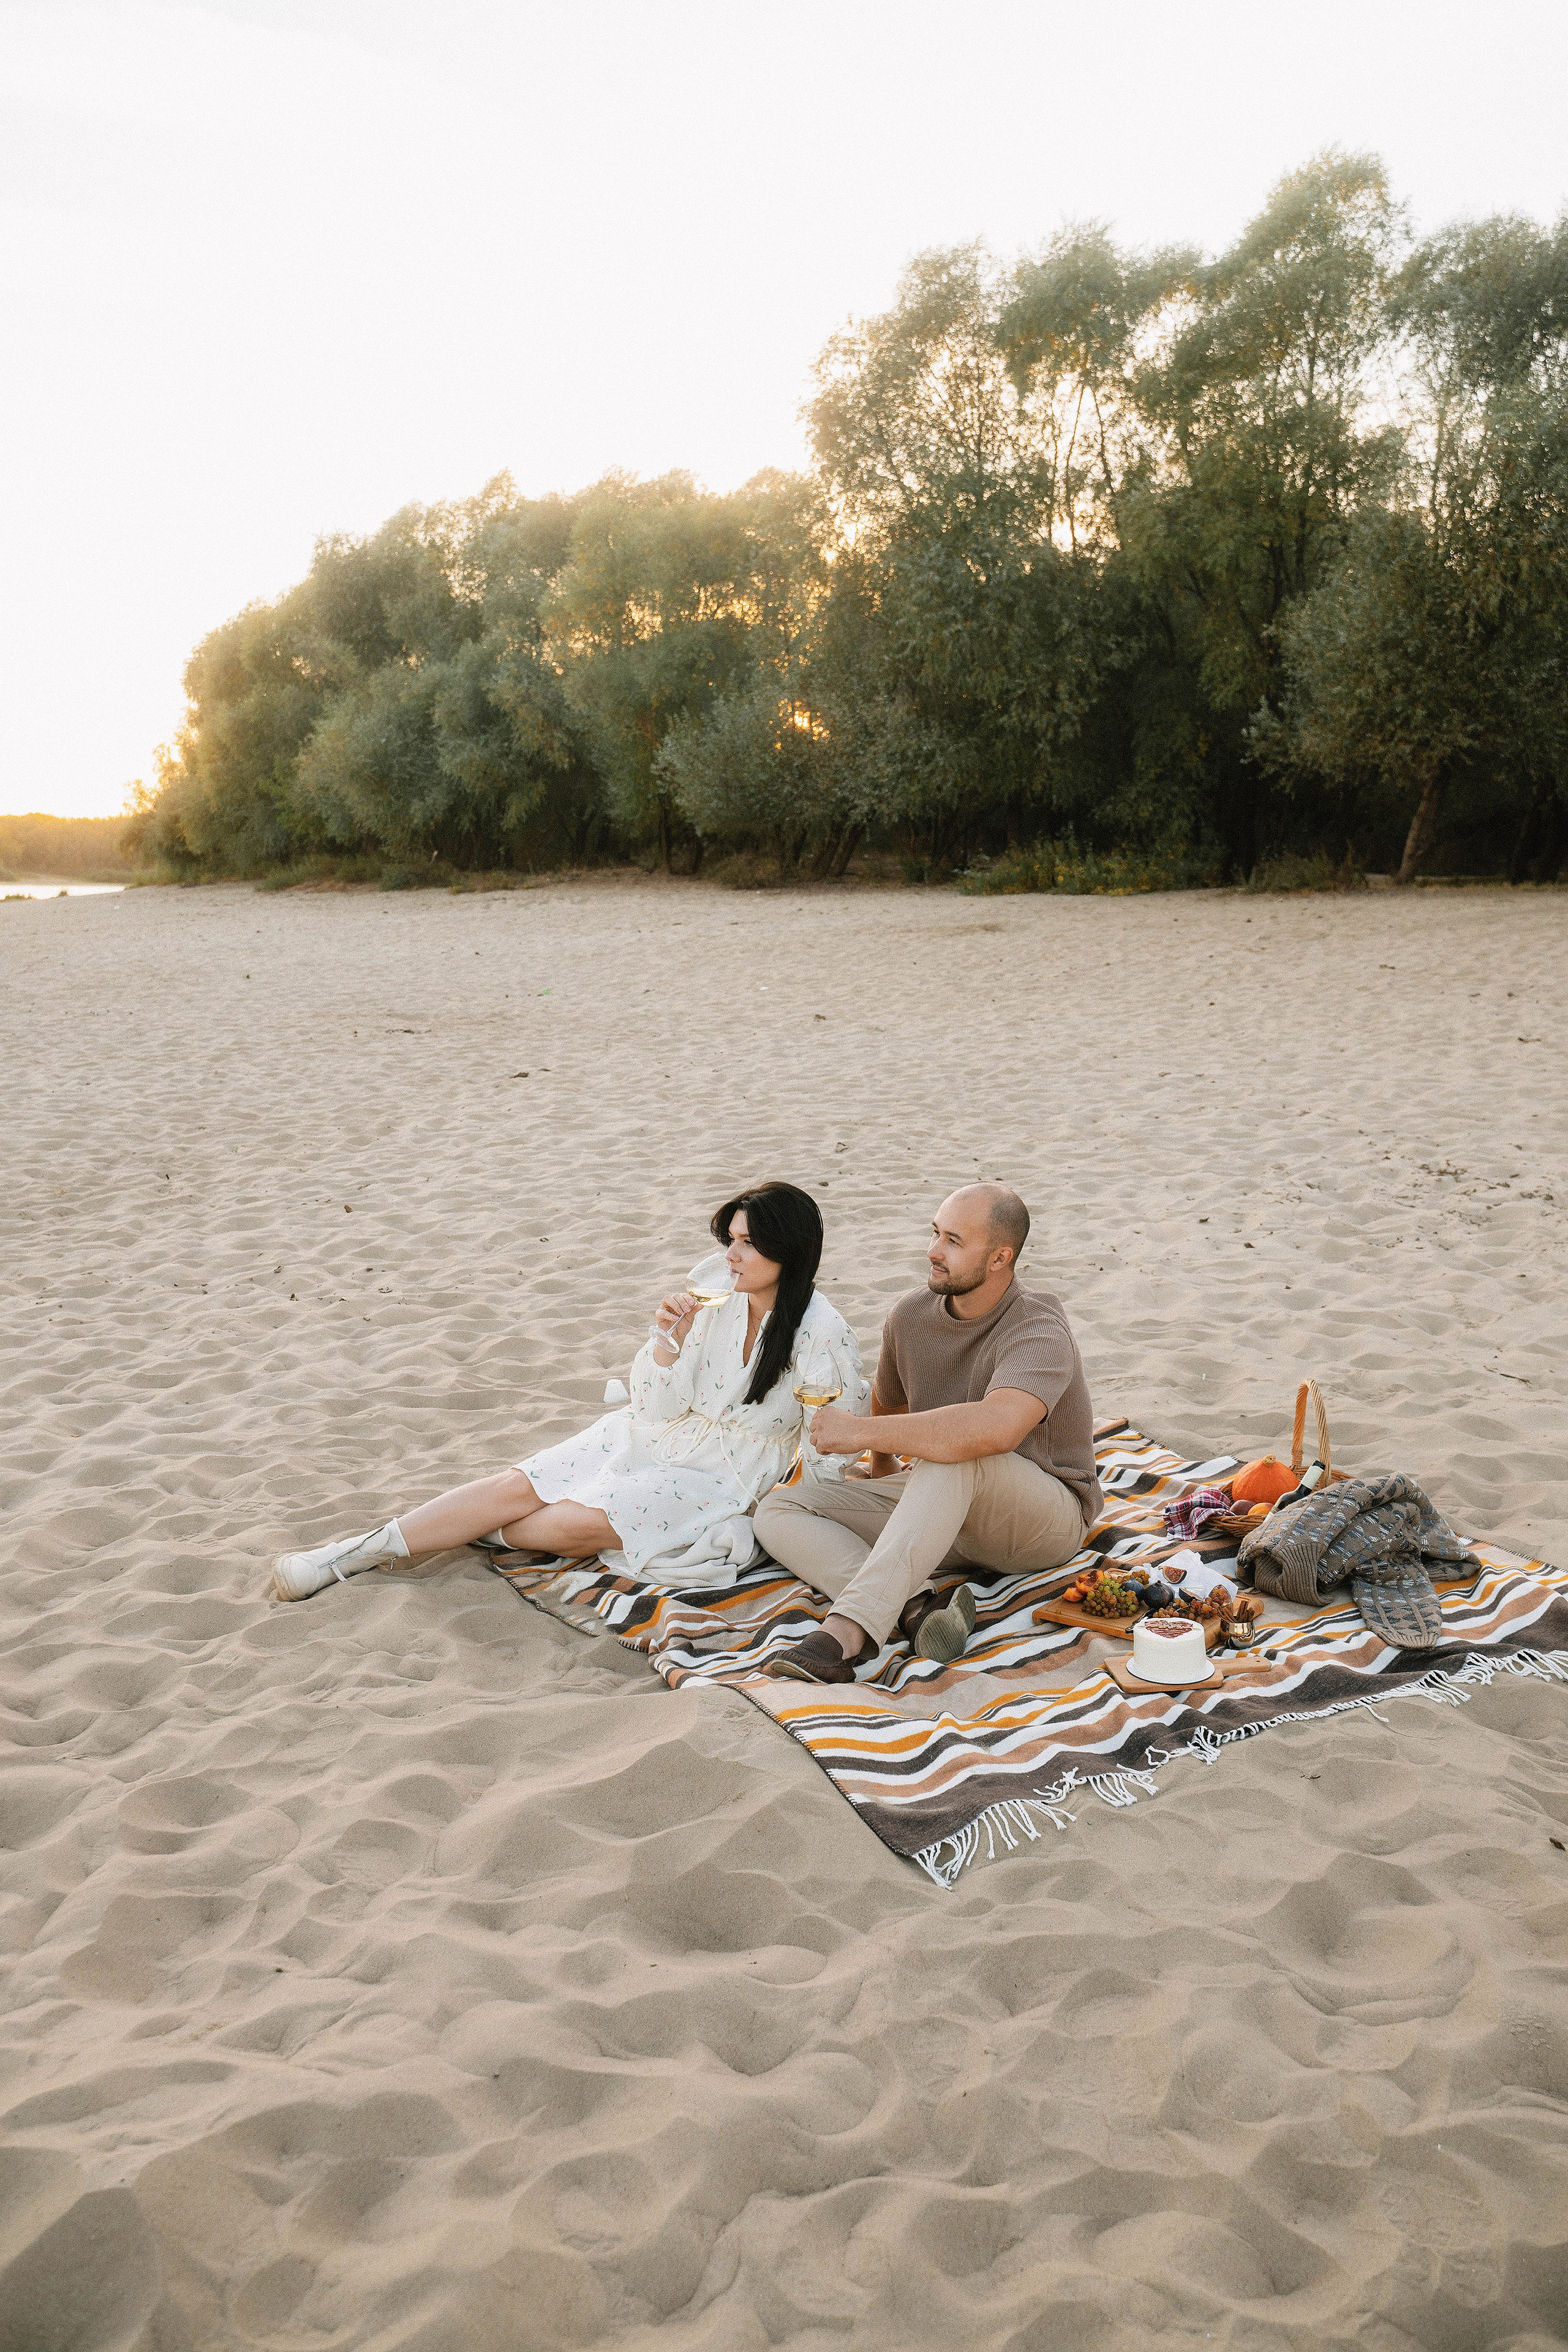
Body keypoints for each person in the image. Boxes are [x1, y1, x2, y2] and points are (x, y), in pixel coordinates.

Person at [271, 1182, 867, 1602]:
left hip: (724, 1477)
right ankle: (351, 1553)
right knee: (516, 1487)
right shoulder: (717, 1302)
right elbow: (656, 1408)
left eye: (747, 1243)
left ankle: (452, 1528)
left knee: (571, 1525)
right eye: (729, 1239)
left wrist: (786, 1513)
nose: (730, 1255)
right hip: (657, 1434)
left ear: (787, 1251)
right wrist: (668, 1345)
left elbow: (832, 1446)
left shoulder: (822, 1332)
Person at [754, 1183, 1100, 1681]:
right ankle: (916, 1606)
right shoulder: (911, 1316)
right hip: (945, 1510)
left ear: (1000, 1257)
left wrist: (861, 1433)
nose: (934, 1251)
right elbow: (890, 1398)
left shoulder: (1039, 1328)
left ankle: (846, 1633)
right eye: (935, 1233)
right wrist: (882, 1466)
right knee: (780, 1509)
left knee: (959, 1451)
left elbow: (996, 1429)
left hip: (1042, 1524)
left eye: (954, 1241)